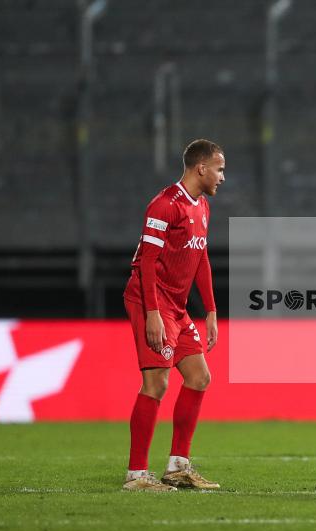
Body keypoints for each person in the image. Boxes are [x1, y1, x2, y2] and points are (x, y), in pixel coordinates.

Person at [121, 139, 225, 491]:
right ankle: (136, 475)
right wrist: (152, 313)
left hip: (176, 307)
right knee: (157, 383)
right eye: (219, 169)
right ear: (201, 168)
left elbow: (201, 259)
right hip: (149, 299)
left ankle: (178, 467)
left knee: (198, 377)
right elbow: (147, 262)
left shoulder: (203, 207)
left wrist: (210, 310)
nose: (222, 177)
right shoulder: (165, 204)